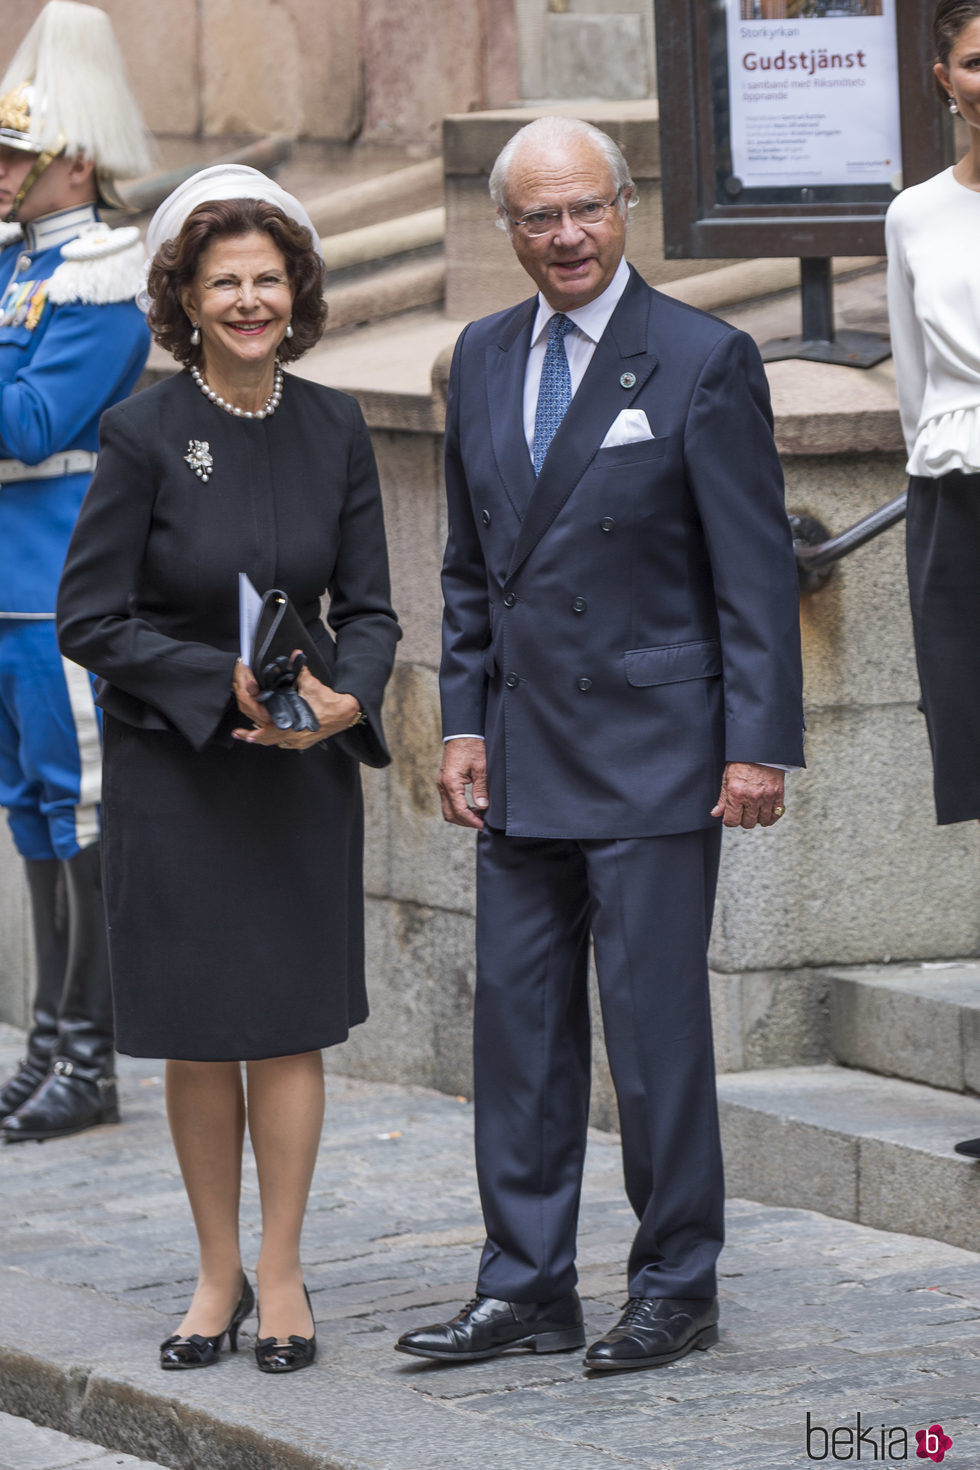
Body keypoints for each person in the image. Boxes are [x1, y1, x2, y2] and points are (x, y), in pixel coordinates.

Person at [395, 116, 804, 1375]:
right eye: (536, 217)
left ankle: (676, 1282)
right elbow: (470, 572)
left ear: (624, 208)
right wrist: (459, 721)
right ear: (505, 229)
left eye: (584, 210)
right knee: (515, 1035)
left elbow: (753, 573)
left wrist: (756, 748)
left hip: (657, 753)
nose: (564, 236)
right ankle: (522, 1284)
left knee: (654, 1034)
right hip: (519, 754)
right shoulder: (473, 356)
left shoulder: (701, 357)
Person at [56, 164, 400, 1372]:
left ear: (295, 292)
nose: (249, 302)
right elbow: (89, 620)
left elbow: (372, 606)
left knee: (288, 1030)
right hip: (184, 769)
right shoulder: (142, 432)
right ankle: (216, 1275)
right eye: (224, 284)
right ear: (187, 300)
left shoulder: (336, 423)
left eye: (267, 280)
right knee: (204, 1034)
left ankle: (286, 1270)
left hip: (301, 770)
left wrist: (352, 689)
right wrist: (220, 682)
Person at [0, 2, 152, 1142]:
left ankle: (89, 1059)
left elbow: (41, 416)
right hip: (1, 589)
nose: (0, 172)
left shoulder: (101, 276)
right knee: (27, 809)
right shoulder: (15, 270)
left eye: (17, 155)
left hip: (55, 588)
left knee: (78, 803)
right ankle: (48, 1039)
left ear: (75, 164)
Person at [885, 0, 980, 1159]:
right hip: (958, 503)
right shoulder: (913, 214)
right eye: (975, 58)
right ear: (943, 77)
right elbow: (913, 388)